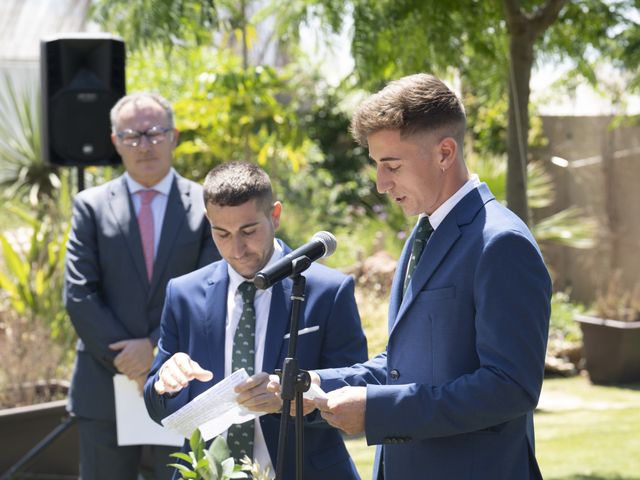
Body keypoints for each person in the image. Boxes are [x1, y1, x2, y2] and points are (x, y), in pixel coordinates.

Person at [308, 73, 552, 479]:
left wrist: (379, 411)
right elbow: (404, 365)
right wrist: (316, 381)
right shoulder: (423, 233)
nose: (381, 184)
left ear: (444, 153)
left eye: (392, 166)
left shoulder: (502, 242)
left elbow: (510, 388)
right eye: (377, 166)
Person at [144, 161, 368, 480]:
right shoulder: (183, 293)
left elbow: (356, 387)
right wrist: (166, 385)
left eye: (249, 231)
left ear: (274, 215)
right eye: (222, 233)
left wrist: (292, 397)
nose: (236, 249)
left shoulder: (328, 290)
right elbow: (157, 408)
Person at [64, 92, 220, 480]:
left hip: (182, 384)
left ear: (175, 136)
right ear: (115, 141)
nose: (144, 144)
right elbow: (80, 292)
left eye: (154, 133)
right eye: (132, 135)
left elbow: (211, 290)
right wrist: (127, 358)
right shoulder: (91, 205)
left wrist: (153, 350)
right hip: (104, 385)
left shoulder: (206, 203)